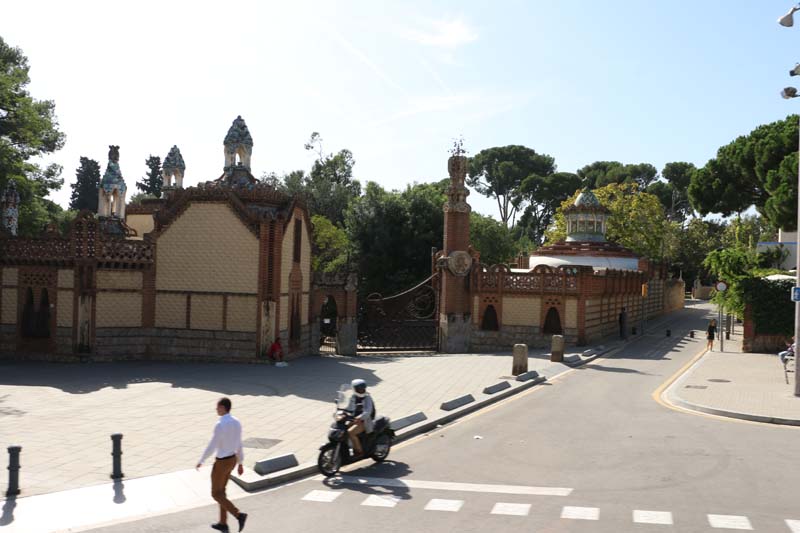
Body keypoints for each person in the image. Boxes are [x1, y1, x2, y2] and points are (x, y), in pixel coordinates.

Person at [197, 398, 248, 533]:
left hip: (221, 462)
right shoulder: (237, 422)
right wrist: (240, 463)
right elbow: (239, 443)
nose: (216, 409)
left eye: (218, 407)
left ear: (224, 408)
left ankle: (238, 515)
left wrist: (202, 459)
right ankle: (223, 523)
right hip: (232, 460)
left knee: (215, 493)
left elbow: (212, 445)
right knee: (222, 492)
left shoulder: (220, 425)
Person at [345, 379, 375, 459]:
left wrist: (360, 417)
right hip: (354, 419)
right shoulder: (353, 397)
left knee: (350, 432)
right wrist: (343, 412)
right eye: (359, 389)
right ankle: (347, 447)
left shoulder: (367, 398)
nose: (361, 390)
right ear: (354, 389)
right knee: (343, 429)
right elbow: (349, 407)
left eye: (362, 388)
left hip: (364, 421)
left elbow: (368, 411)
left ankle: (359, 451)